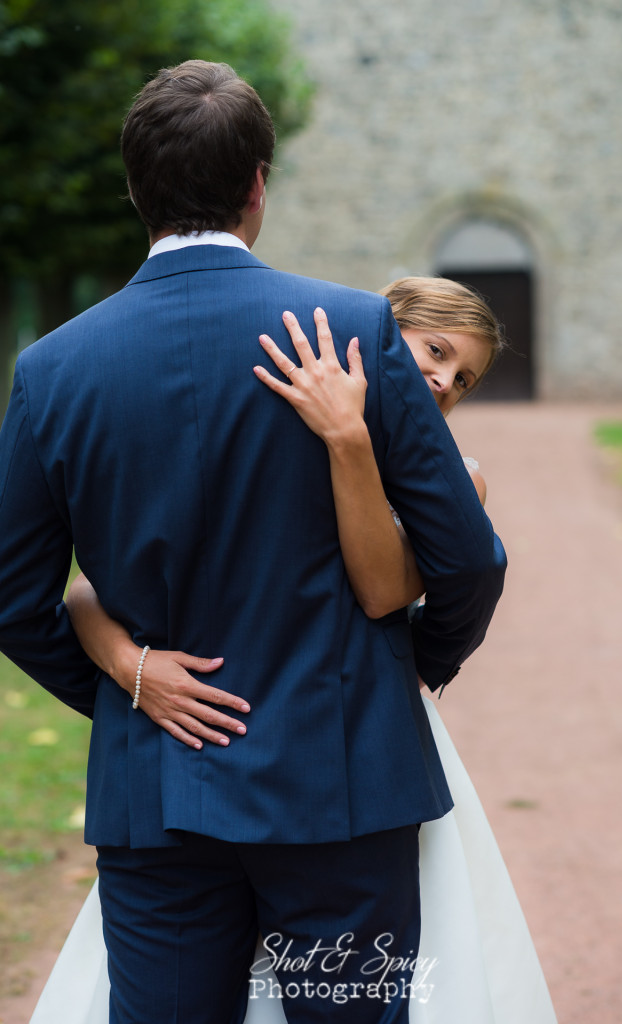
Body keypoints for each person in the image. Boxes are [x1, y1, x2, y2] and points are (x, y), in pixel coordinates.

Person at [0, 60, 506, 1023]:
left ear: (135, 187)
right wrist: (408, 666)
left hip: (157, 798)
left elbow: (11, 596)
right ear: (258, 184)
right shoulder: (352, 329)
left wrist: (133, 691)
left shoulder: (52, 369)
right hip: (343, 787)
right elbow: (468, 558)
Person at [30, 278, 556, 1023]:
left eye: (462, 378)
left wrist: (350, 440)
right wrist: (131, 668)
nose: (443, 381)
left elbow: (382, 590)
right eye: (434, 352)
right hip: (208, 753)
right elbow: (96, 589)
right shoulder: (265, 426)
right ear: (377, 332)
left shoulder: (453, 479)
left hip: (345, 757)